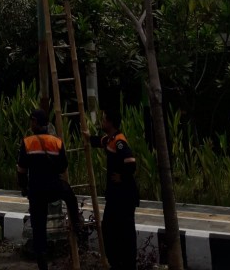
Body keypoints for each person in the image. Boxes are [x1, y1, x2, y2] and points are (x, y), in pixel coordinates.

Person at [17, 109, 81, 270]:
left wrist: (24, 187)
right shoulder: (56, 142)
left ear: (36, 122)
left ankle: (42, 264)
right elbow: (63, 166)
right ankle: (77, 224)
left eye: (32, 121)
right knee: (70, 195)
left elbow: (21, 170)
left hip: (36, 190)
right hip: (53, 187)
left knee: (38, 228)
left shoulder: (27, 143)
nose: (31, 124)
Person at [90, 109, 139, 270]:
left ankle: (127, 264)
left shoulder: (119, 141)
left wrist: (122, 177)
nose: (102, 122)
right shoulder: (110, 139)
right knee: (110, 229)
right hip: (115, 195)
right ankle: (117, 263)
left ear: (110, 123)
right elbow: (99, 141)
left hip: (124, 195)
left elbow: (131, 162)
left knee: (124, 231)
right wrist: (87, 137)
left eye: (104, 119)